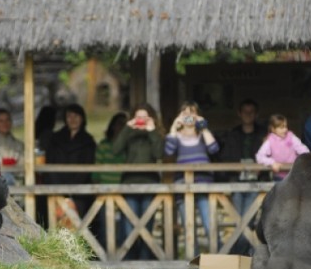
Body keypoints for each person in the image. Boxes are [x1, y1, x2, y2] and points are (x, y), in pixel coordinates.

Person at [214, 98, 268, 256]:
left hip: (255, 184)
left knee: (247, 223)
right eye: (245, 112)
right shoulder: (233, 134)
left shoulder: (262, 135)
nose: (248, 115)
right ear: (239, 113)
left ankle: (237, 256)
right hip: (237, 183)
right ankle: (240, 257)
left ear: (256, 114)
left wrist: (261, 169)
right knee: (239, 222)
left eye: (251, 112)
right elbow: (225, 157)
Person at [164, 101, 219, 254]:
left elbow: (214, 149)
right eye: (185, 113)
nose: (188, 116)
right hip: (183, 187)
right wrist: (174, 128)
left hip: (204, 185)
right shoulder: (176, 137)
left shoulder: (203, 135)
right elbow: (168, 152)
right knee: (189, 230)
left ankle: (220, 267)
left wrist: (204, 127)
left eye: (192, 112)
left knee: (211, 226)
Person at [112, 103, 165, 260]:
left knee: (146, 229)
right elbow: (115, 150)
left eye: (144, 116)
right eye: (138, 116)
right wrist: (128, 128)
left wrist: (152, 131)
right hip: (129, 184)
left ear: (151, 118)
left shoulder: (155, 133)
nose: (141, 120)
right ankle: (130, 266)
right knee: (129, 228)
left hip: (150, 184)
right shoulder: (128, 133)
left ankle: (144, 267)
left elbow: (159, 153)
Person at [45, 103, 96, 221]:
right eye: (69, 116)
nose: (73, 119)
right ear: (65, 119)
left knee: (78, 227)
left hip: (80, 192)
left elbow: (88, 167)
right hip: (56, 189)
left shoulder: (88, 141)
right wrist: (60, 189)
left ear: (82, 118)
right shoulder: (55, 139)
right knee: (56, 227)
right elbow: (49, 163)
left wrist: (71, 190)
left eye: (76, 116)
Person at [93, 112, 128, 248]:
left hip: (124, 192)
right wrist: (97, 190)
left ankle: (124, 261)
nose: (121, 127)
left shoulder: (128, 146)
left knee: (125, 229)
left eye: (124, 125)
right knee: (105, 229)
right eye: (118, 123)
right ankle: (105, 260)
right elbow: (96, 170)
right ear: (112, 126)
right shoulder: (103, 145)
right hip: (104, 191)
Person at [256, 114, 310, 181]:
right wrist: (272, 163)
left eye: (286, 126)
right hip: (278, 176)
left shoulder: (291, 137)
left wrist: (303, 160)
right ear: (273, 129)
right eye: (281, 127)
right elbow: (259, 156)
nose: (285, 129)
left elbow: (303, 149)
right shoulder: (270, 141)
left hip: (294, 174)